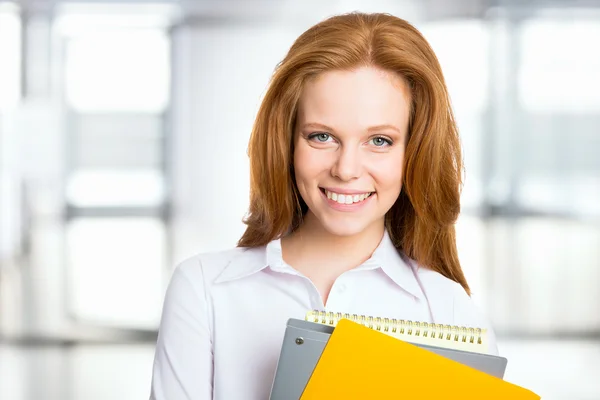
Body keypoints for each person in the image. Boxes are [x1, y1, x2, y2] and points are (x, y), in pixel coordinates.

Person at [150, 12, 499, 400]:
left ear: (413, 153)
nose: (346, 169)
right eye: (322, 137)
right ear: (288, 143)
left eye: (380, 141)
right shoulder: (204, 290)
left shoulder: (449, 309)